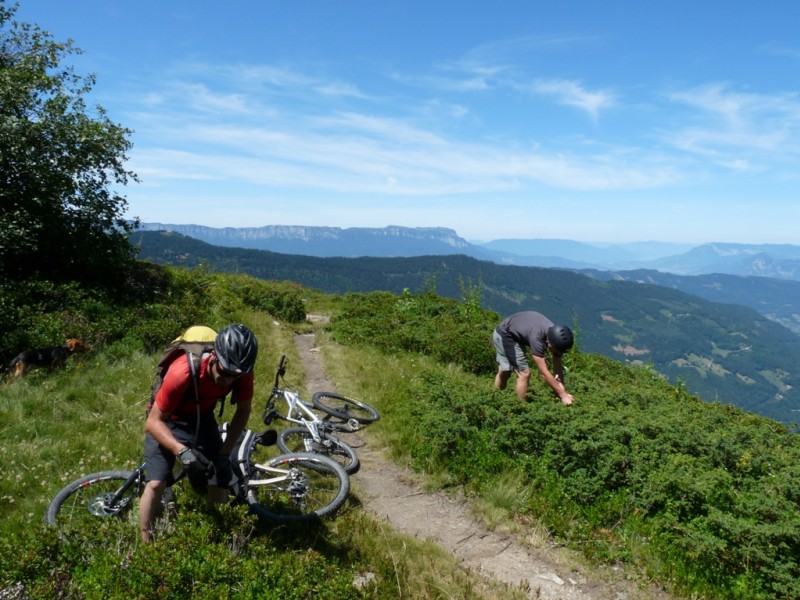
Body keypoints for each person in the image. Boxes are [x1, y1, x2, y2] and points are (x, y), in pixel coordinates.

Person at [139, 324, 258, 543]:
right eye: (224, 373)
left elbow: (243, 411)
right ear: (214, 357)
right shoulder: (183, 371)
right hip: (168, 419)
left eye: (235, 376)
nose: (229, 381)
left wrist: (224, 454)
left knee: (219, 479)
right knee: (156, 484)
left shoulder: (242, 372)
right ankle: (147, 547)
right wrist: (182, 453)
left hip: (202, 417)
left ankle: (219, 539)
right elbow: (153, 422)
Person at [493, 311, 575, 404]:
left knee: (505, 370)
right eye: (558, 351)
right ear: (550, 343)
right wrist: (562, 395)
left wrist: (562, 391)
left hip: (516, 333)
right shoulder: (538, 339)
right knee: (523, 374)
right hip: (505, 334)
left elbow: (557, 367)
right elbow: (544, 373)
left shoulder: (555, 335)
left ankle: (495, 397)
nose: (559, 354)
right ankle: (519, 408)